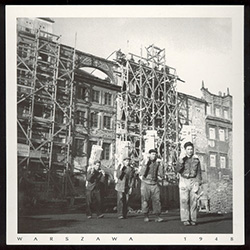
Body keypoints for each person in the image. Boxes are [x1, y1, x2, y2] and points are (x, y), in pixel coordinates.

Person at [176, 141, 202, 226]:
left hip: (193, 180)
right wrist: (181, 161)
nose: (190, 151)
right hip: (184, 180)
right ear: (185, 150)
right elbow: (177, 170)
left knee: (194, 201)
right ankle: (185, 219)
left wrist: (198, 182)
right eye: (188, 149)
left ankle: (193, 219)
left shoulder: (196, 159)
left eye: (191, 149)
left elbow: (199, 172)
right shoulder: (181, 158)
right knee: (184, 200)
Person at [139, 149, 164, 222]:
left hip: (154, 183)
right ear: (149, 155)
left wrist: (161, 165)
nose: (154, 155)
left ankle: (157, 216)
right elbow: (141, 173)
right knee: (145, 200)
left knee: (157, 200)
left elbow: (161, 175)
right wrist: (146, 164)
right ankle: (146, 215)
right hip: (145, 183)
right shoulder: (144, 162)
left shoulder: (157, 163)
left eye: (155, 154)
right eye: (152, 154)